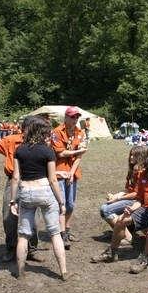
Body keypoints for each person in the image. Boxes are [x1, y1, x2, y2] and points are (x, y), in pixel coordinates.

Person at [91, 145, 148, 274]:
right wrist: (131, 208)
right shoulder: (143, 174)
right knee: (121, 220)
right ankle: (112, 253)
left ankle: (144, 257)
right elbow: (140, 199)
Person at [9, 117, 73, 282]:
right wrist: (61, 202)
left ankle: (20, 272)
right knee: (55, 233)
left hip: (26, 192)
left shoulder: (19, 150)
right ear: (42, 133)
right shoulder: (48, 151)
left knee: (23, 234)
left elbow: (15, 177)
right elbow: (53, 180)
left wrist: (13, 201)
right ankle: (64, 272)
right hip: (44, 192)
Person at [0, 115, 43, 263]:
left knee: (34, 219)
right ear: (23, 128)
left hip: (33, 181)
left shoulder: (40, 144)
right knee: (8, 216)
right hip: (14, 181)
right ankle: (11, 248)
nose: (33, 131)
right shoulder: (11, 140)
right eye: (30, 128)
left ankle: (32, 249)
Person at [51, 106, 89, 249]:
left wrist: (72, 173)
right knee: (62, 204)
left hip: (72, 171)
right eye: (72, 117)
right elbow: (60, 153)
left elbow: (80, 156)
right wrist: (78, 151)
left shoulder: (80, 133)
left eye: (77, 117)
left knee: (71, 205)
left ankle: (67, 230)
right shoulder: (56, 132)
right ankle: (62, 234)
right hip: (59, 171)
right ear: (65, 118)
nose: (75, 119)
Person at [99, 146, 146, 245]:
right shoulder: (132, 171)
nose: (131, 157)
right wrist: (114, 196)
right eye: (131, 155)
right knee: (104, 209)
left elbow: (136, 194)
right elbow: (127, 189)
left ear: (140, 157)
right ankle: (119, 233)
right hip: (130, 198)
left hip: (137, 201)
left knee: (106, 210)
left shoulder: (142, 172)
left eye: (134, 155)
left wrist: (118, 198)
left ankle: (127, 236)